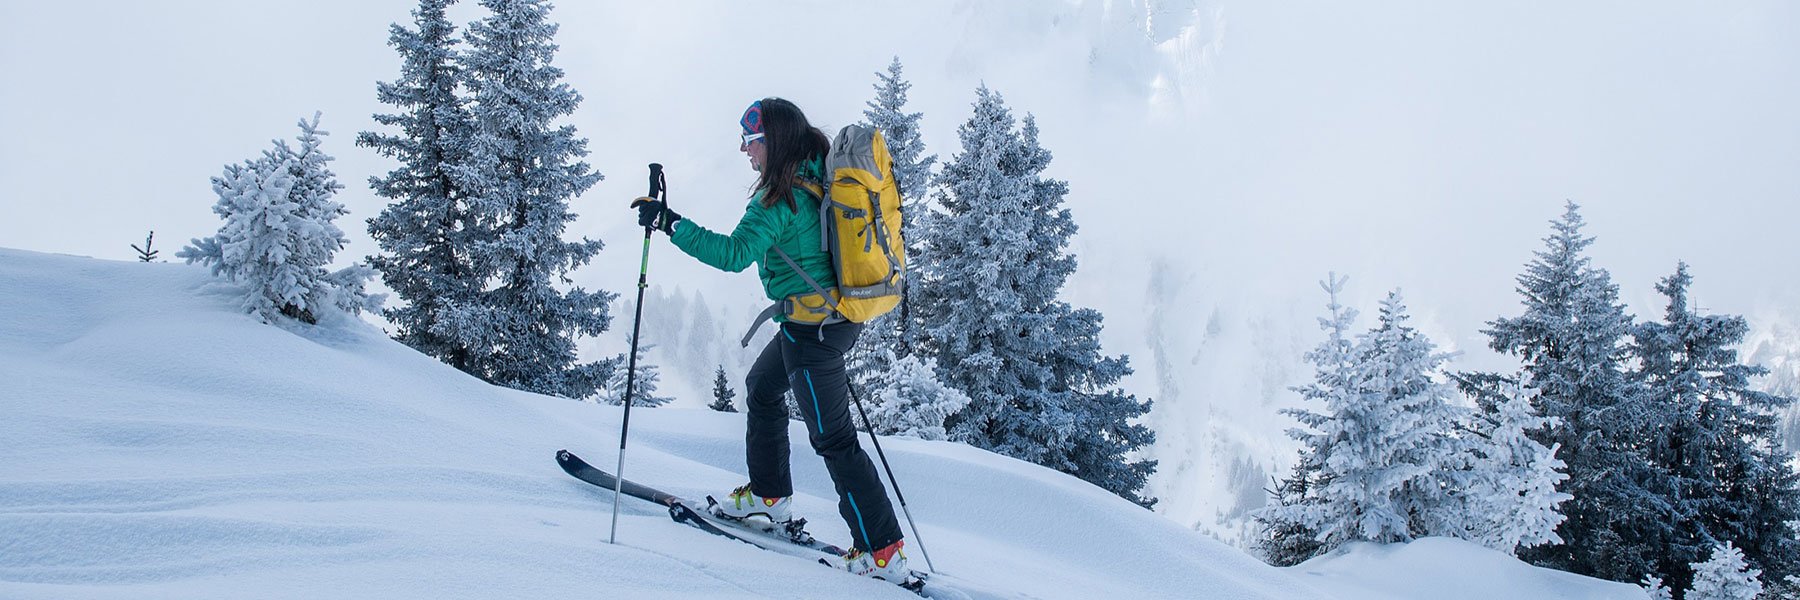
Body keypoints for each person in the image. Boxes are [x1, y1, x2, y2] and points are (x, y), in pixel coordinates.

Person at [630, 98, 909, 582]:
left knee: (835, 440)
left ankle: (882, 550)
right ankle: (769, 496)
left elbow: (734, 253)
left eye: (751, 141)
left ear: (773, 141)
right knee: (761, 388)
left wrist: (668, 222)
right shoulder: (818, 167)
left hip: (814, 334)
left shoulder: (778, 200)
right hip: (824, 322)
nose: (744, 150)